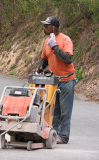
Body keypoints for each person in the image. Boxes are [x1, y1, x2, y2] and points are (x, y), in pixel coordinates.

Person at [37, 16, 76, 144]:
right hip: (54, 81)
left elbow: (68, 59)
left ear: (54, 27)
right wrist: (38, 70)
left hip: (66, 80)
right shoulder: (47, 41)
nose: (44, 28)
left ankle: (63, 136)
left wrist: (55, 48)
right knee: (55, 110)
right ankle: (54, 134)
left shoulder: (65, 40)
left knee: (65, 110)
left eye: (46, 25)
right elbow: (44, 60)